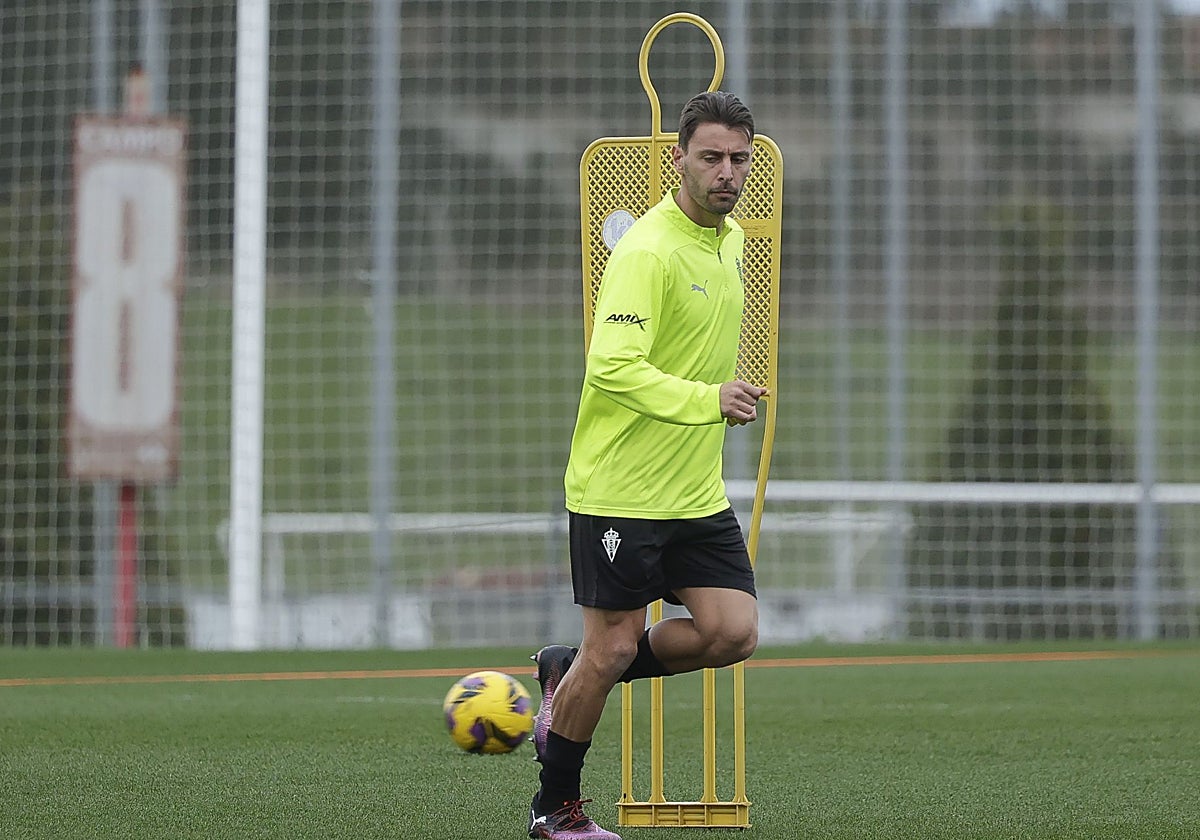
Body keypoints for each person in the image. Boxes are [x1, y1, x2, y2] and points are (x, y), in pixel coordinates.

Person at [526, 90, 766, 840]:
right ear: (678, 161)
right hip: (621, 490)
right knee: (618, 643)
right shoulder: (648, 249)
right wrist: (710, 399)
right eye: (710, 158)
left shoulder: (731, 241)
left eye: (738, 160)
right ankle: (553, 809)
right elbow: (611, 368)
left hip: (692, 493)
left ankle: (568, 673)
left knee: (733, 632)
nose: (726, 173)